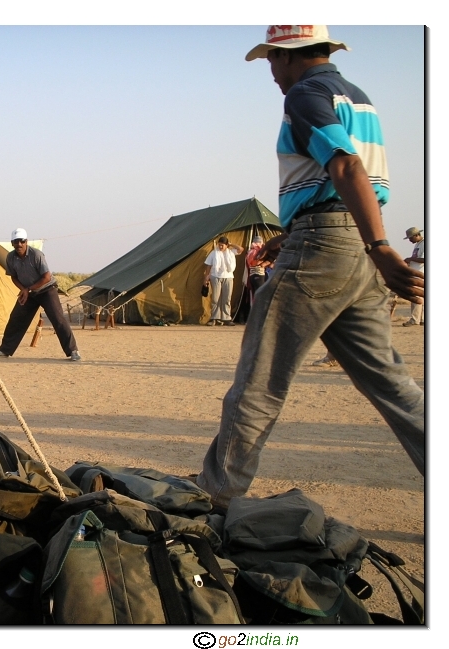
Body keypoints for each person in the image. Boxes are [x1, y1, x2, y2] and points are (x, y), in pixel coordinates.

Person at [195, 26, 425, 509]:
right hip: (351, 247)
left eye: (272, 62)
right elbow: (336, 181)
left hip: (331, 248)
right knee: (392, 383)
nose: (273, 75)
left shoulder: (306, 93)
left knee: (258, 381)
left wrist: (382, 246)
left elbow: (344, 167)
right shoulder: (359, 98)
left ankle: (215, 498)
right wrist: (307, 236)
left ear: (289, 56)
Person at [0, 229, 81, 361]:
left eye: (22, 241)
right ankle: (5, 350)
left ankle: (73, 351)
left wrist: (28, 289)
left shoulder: (36, 255)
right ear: (12, 243)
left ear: (26, 242)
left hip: (46, 289)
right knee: (16, 318)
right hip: (29, 292)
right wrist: (24, 290)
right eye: (16, 242)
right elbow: (13, 277)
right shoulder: (10, 257)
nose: (19, 244)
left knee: (58, 319)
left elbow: (47, 277)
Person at [203, 236, 244, 326]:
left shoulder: (231, 252)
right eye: (219, 245)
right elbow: (208, 265)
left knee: (227, 298)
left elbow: (241, 249)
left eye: (222, 245)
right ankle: (214, 318)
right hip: (215, 276)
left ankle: (226, 318)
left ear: (226, 245)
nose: (220, 247)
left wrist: (231, 244)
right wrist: (206, 277)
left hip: (228, 277)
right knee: (215, 298)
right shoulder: (214, 253)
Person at [402, 227, 424, 326]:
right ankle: (422, 319)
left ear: (416, 235)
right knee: (421, 296)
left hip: (420, 273)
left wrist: (409, 259)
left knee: (415, 296)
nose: (410, 240)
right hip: (417, 272)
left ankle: (415, 320)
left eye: (411, 238)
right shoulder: (418, 245)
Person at [244, 235, 271, 305]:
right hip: (258, 274)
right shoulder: (257, 251)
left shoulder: (250, 251)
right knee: (260, 295)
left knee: (255, 295)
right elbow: (254, 263)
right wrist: (264, 262)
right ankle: (258, 313)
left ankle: (253, 311)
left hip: (252, 275)